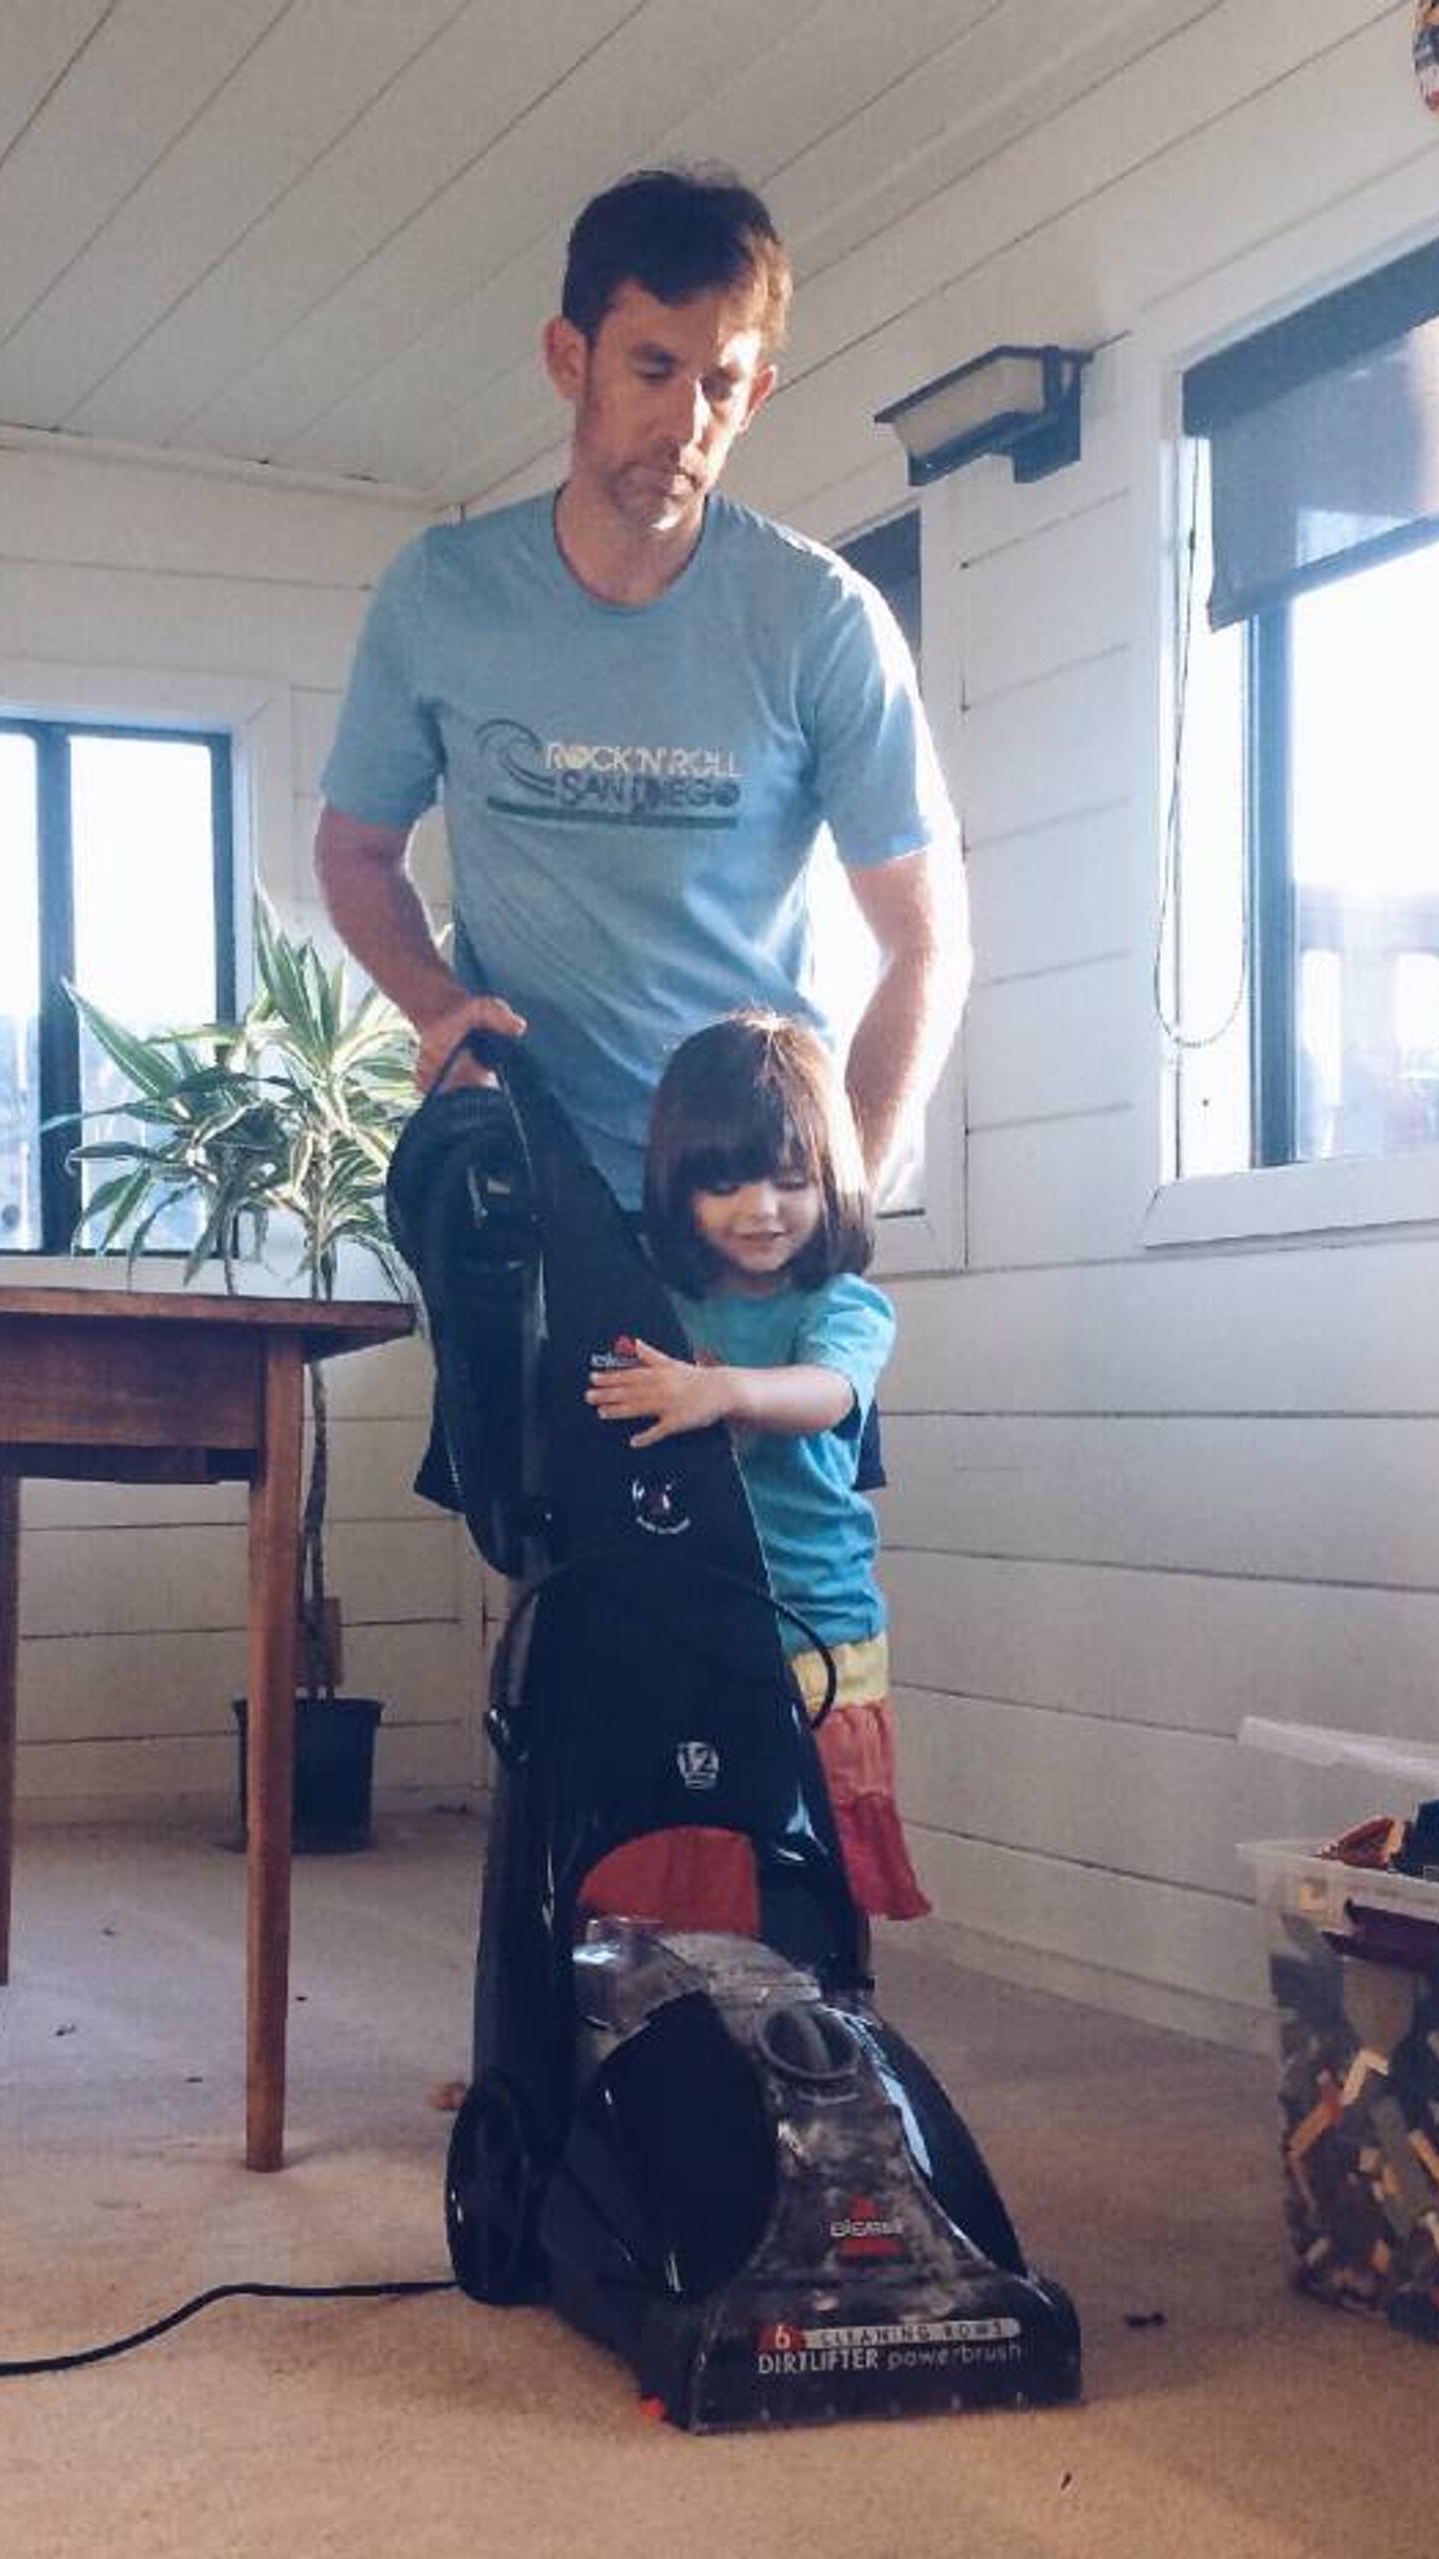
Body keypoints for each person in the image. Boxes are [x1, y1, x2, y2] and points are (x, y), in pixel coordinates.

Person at [313, 165, 970, 1211]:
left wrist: (840, 1196)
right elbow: (354, 852)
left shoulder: (822, 618)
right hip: (528, 1179)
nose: (683, 421)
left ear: (755, 395)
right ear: (570, 360)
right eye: (653, 368)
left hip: (747, 1194)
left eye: (719, 385)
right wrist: (440, 1008)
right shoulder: (442, 595)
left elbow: (925, 942)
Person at [579, 1012, 930, 1925]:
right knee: (694, 1846)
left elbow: (831, 1391)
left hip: (814, 1628)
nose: (762, 1210)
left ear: (831, 1182)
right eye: (726, 1183)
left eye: (790, 1181)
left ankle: (821, 2029)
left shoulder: (842, 1306)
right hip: (690, 1625)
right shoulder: (658, 1300)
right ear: (679, 1184)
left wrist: (720, 1391)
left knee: (814, 1866)